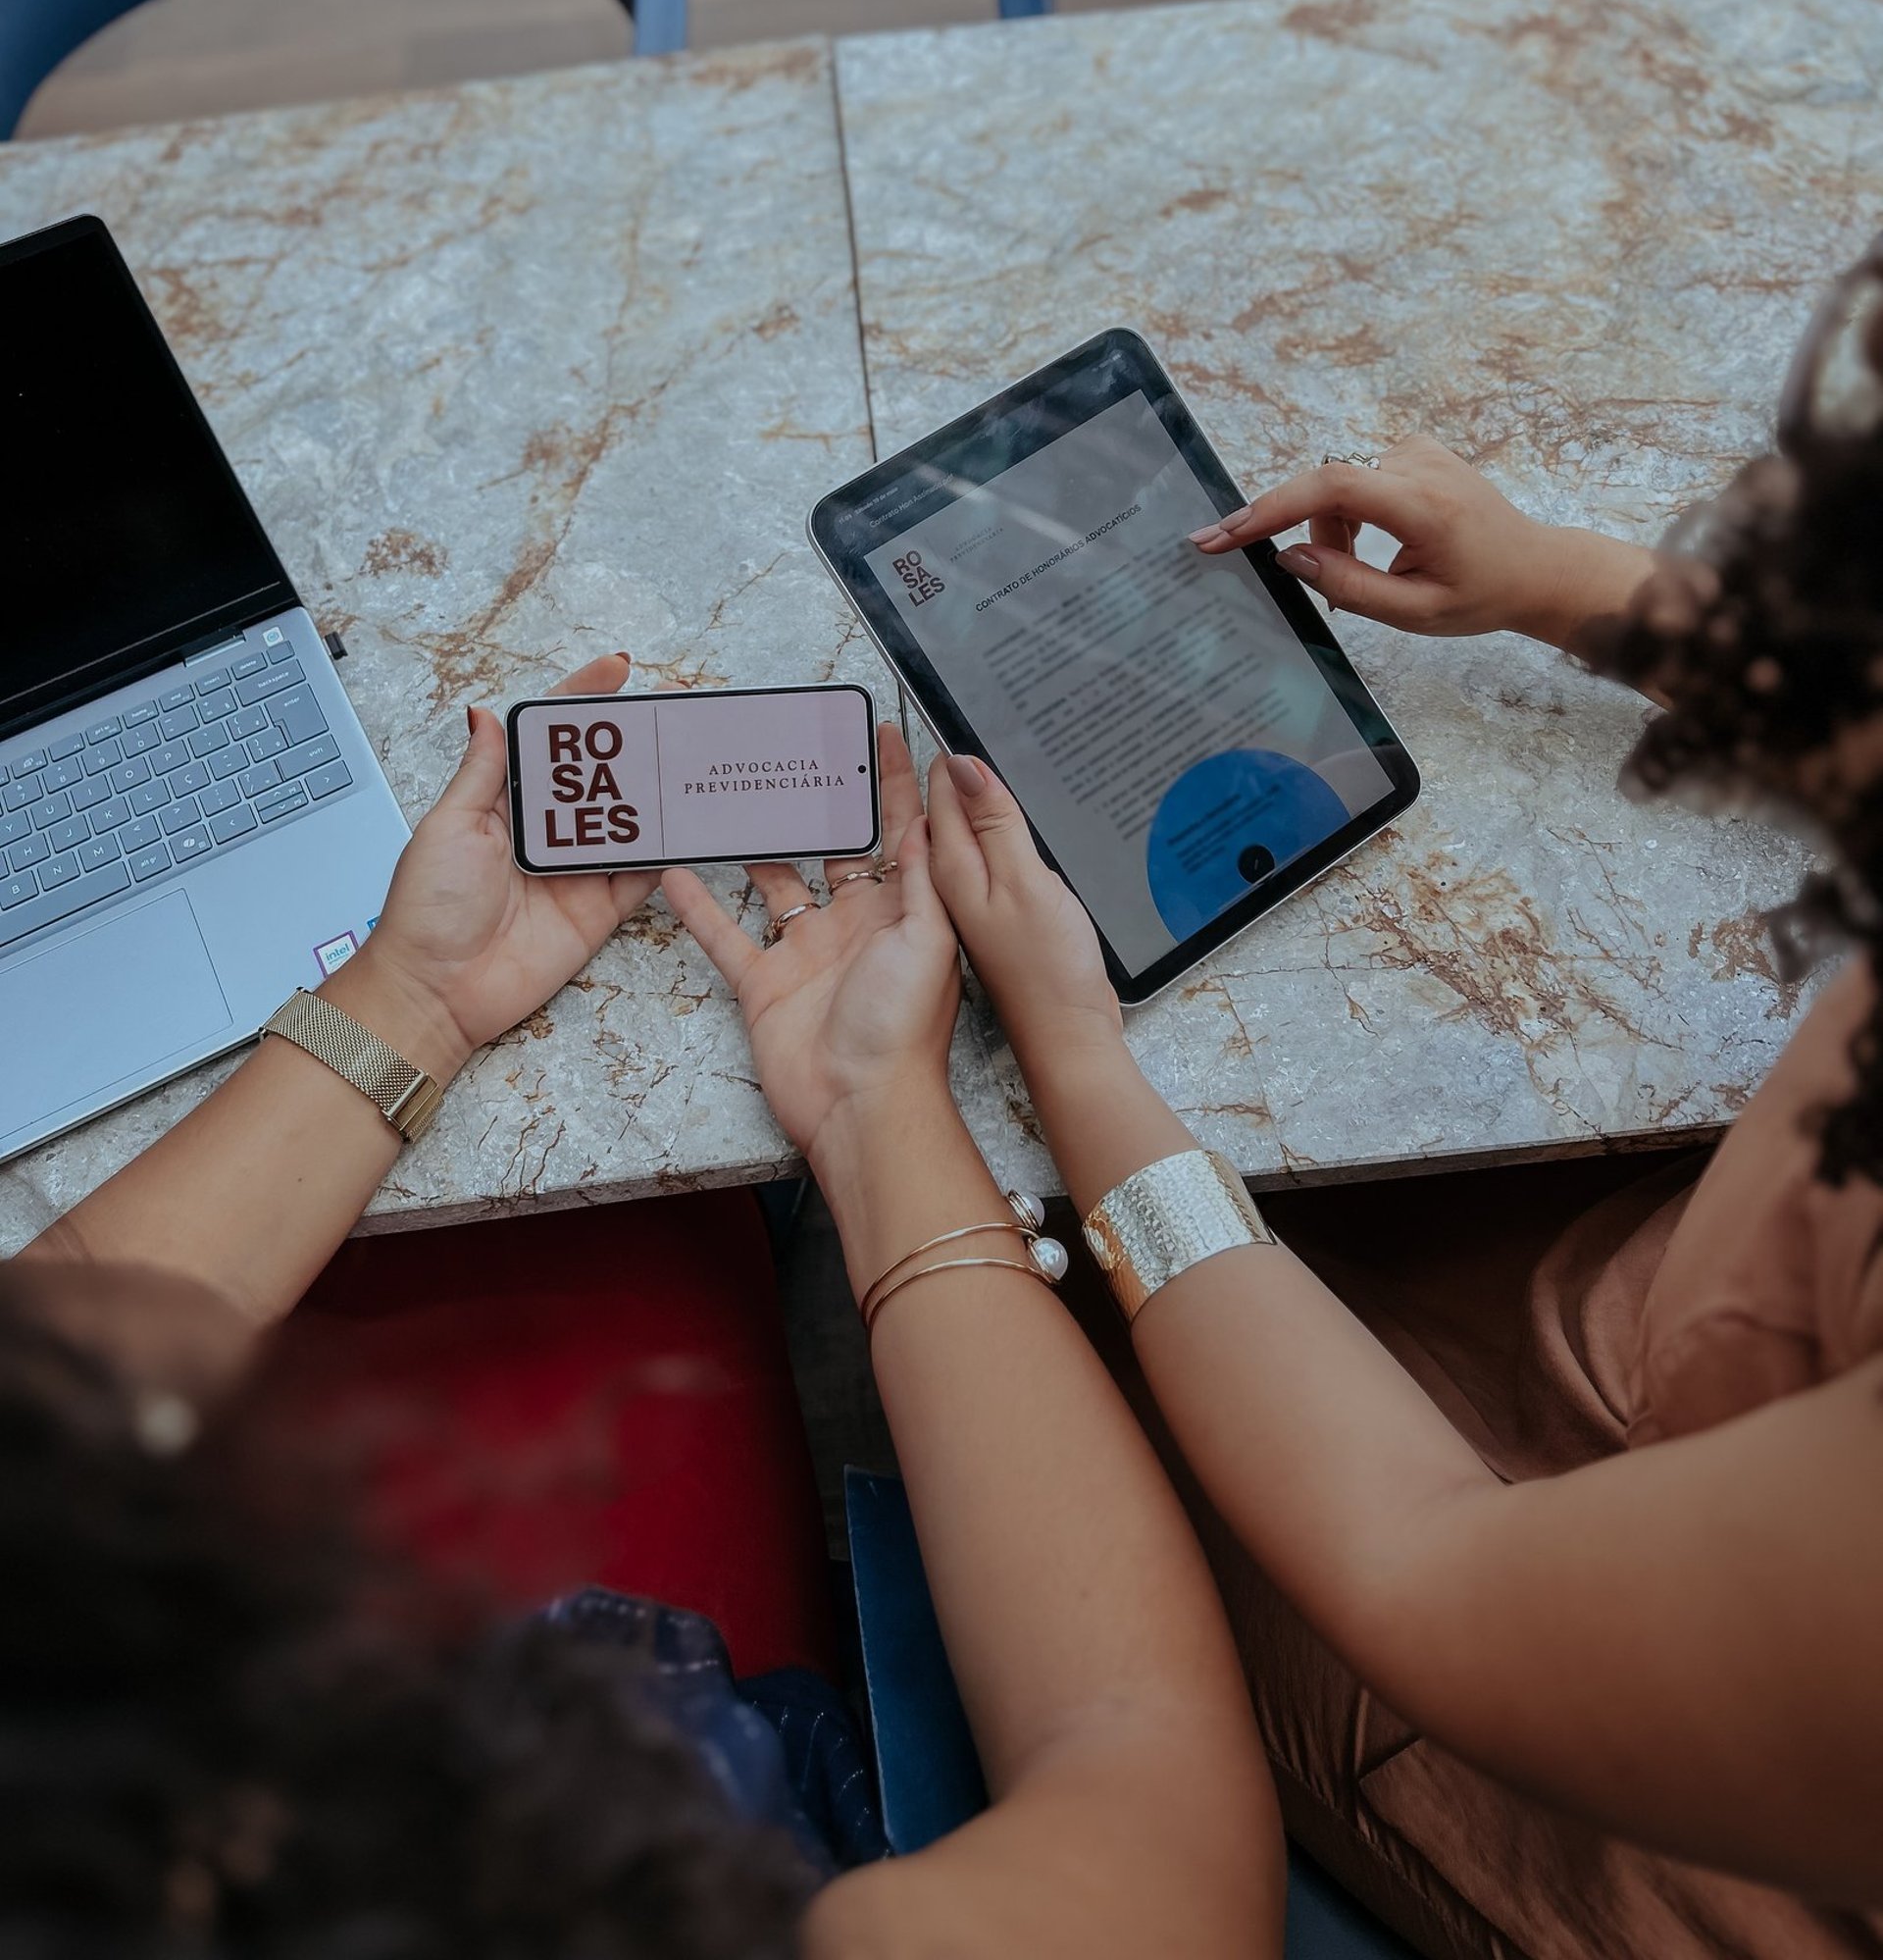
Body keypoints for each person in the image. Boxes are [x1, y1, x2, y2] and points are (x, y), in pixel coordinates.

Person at [915, 243, 1883, 1960]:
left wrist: (1071, 1059)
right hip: (1703, 1361)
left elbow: (1423, 1578)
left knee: (1074, 1405)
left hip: (1662, 1791)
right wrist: (1567, 584)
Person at [2, 661, 1276, 1956]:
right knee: (670, 1248)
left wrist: (415, 999)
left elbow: (31, 1421)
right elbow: (1167, 1846)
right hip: (656, 1752)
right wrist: (881, 1109)